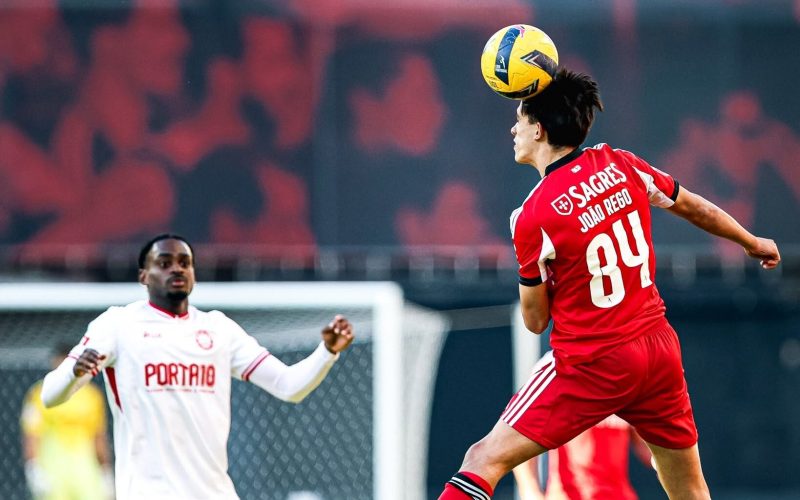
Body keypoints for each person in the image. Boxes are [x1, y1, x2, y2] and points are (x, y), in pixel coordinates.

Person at [437, 69, 780, 500]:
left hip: (593, 361)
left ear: (539, 129)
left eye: (520, 119)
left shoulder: (533, 215)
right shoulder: (622, 164)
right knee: (689, 487)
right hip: (657, 351)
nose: (513, 128)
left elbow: (536, 320)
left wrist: (539, 277)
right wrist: (750, 241)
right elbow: (692, 206)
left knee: (482, 459)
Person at [41, 233, 355, 499]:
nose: (176, 269)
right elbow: (50, 395)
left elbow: (289, 387)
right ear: (143, 276)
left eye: (184, 263)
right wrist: (74, 371)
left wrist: (326, 352)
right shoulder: (118, 324)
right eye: (164, 263)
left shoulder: (220, 329)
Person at [512, 355, 653, 500]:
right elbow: (521, 435)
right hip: (567, 495)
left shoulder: (628, 368)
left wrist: (672, 457)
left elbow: (643, 444)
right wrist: (530, 491)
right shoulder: (554, 364)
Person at [21, 343, 113, 500]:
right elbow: (32, 435)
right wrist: (33, 468)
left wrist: (105, 471)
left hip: (86, 470)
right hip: (53, 469)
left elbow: (98, 436)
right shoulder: (40, 394)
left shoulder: (92, 396)